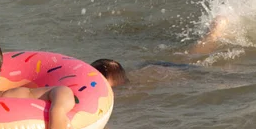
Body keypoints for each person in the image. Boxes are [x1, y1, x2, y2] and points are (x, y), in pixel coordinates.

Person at [92, 16, 229, 88]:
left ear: (119, 85)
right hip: (148, 67)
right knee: (187, 54)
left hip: (170, 70)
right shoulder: (118, 82)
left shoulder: (126, 90)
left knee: (192, 57)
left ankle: (215, 33)